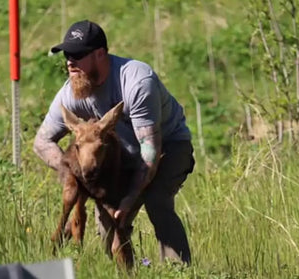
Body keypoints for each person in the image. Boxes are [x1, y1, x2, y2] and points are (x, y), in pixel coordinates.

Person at [33, 19, 195, 265]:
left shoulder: (137, 82)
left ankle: (178, 271)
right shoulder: (72, 93)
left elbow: (150, 152)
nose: (69, 61)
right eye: (67, 55)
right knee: (108, 225)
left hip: (168, 147)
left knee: (156, 199)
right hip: (121, 158)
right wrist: (75, 176)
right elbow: (42, 142)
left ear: (100, 54)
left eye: (77, 55)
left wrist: (130, 197)